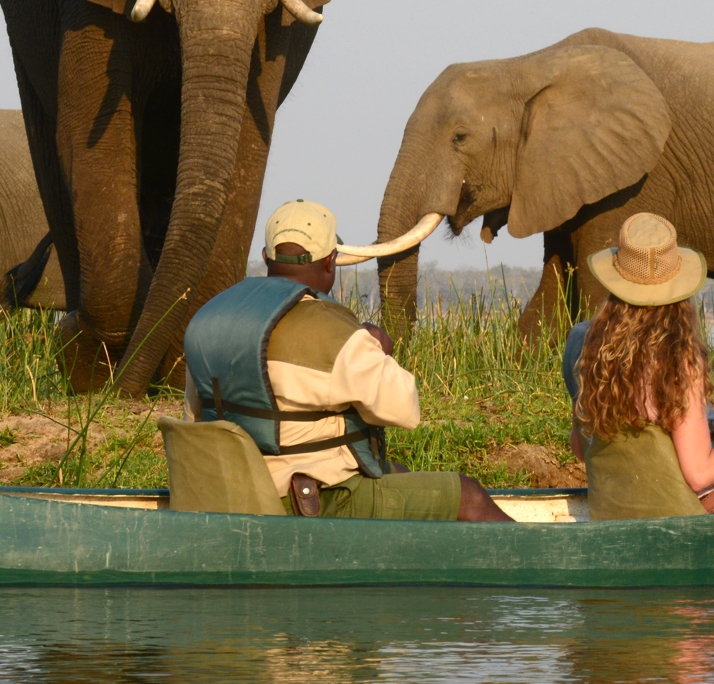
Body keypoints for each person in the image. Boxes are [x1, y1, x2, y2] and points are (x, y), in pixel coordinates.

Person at [182, 199, 512, 522]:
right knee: (468, 495)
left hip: (233, 490)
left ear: (267, 257)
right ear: (330, 262)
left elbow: (194, 416)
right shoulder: (336, 331)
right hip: (307, 500)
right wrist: (379, 352)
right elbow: (405, 409)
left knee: (398, 473)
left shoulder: (209, 320)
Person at [566, 212, 714, 519]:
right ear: (678, 288)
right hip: (694, 522)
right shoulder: (678, 361)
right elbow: (699, 474)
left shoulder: (582, 346)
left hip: (614, 521)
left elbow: (581, 449)